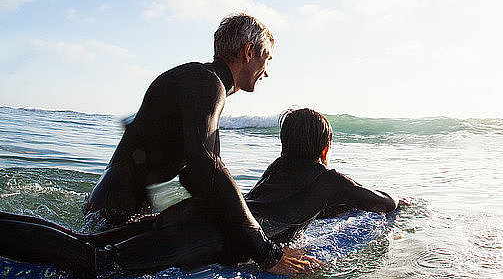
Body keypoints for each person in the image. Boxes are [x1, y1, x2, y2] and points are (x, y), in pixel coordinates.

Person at [0, 108, 403, 277]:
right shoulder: (330, 179)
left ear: (283, 144)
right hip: (211, 235)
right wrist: (399, 204)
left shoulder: (276, 169)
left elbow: (271, 206)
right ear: (325, 148)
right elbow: (381, 203)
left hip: (201, 214)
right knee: (99, 264)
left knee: (87, 243)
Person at [82, 13, 307, 274]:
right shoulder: (206, 84)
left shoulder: (202, 83)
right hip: (114, 211)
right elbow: (206, 167)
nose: (266, 72)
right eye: (266, 59)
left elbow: (197, 178)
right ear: (248, 51)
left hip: (118, 206)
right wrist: (266, 251)